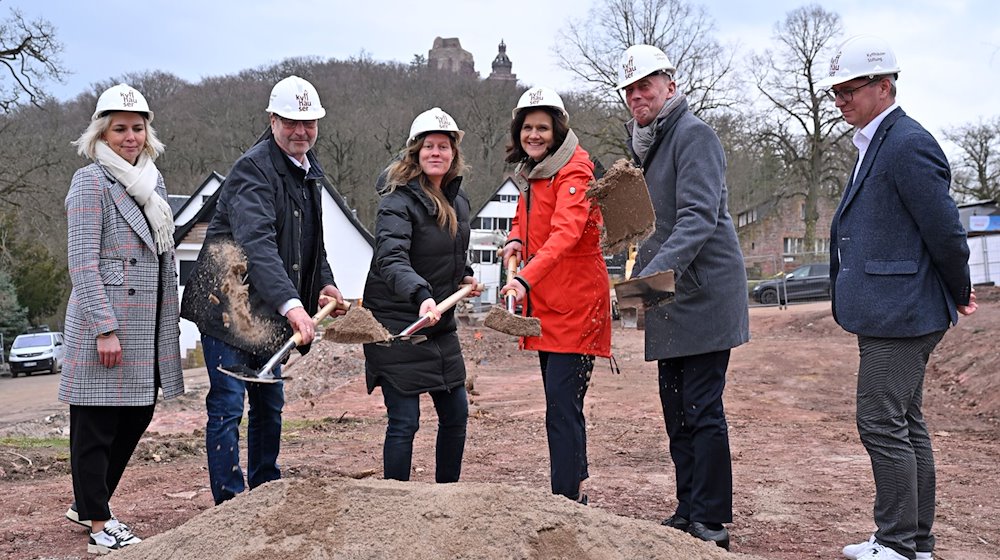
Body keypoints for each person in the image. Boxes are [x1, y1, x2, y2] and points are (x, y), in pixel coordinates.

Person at [816, 35, 977, 560]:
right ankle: (915, 544)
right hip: (890, 309)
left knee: (881, 422)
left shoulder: (906, 142)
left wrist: (960, 290)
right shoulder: (874, 141)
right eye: (834, 92)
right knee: (905, 423)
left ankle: (898, 545)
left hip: (904, 312)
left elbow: (945, 230)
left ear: (884, 86)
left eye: (848, 90)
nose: (840, 101)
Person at [180, 75, 345, 505]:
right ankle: (231, 505)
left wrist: (323, 282)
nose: (300, 132)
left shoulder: (309, 172)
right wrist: (293, 306)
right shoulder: (252, 170)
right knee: (229, 405)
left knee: (269, 407)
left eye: (308, 123)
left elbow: (311, 244)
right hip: (228, 307)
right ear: (272, 120)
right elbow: (258, 246)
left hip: (268, 311)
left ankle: (266, 493)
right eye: (291, 121)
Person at [616, 44, 750, 550]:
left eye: (645, 85)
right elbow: (657, 221)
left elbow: (697, 218)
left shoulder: (694, 136)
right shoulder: (649, 145)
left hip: (704, 292)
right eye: (629, 89)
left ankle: (711, 519)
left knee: (702, 406)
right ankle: (688, 505)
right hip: (671, 295)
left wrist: (645, 281)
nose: (637, 95)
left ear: (669, 85)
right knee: (675, 407)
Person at [60, 83, 184, 554]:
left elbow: (162, 256)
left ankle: (87, 500)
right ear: (101, 133)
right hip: (107, 325)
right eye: (119, 129)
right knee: (95, 426)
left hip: (147, 324)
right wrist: (103, 328)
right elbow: (82, 262)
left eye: (136, 128)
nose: (129, 137)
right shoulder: (90, 182)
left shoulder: (155, 183)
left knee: (139, 412)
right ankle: (98, 524)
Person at [498, 87, 612, 504]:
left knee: (562, 407)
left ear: (557, 129)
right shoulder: (535, 169)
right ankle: (573, 486)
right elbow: (523, 218)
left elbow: (566, 232)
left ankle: (565, 497)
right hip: (550, 304)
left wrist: (524, 278)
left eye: (542, 127)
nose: (534, 134)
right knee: (561, 404)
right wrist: (514, 240)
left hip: (576, 304)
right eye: (528, 127)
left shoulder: (574, 170)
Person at [363, 107, 479, 483]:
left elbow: (450, 256)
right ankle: (396, 503)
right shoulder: (396, 201)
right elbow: (391, 258)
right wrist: (421, 295)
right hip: (396, 324)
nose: (436, 153)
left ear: (453, 154)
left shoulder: (459, 202)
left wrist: (465, 276)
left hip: (437, 324)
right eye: (428, 146)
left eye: (443, 146)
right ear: (415, 152)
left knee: (456, 412)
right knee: (404, 420)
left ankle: (448, 495)